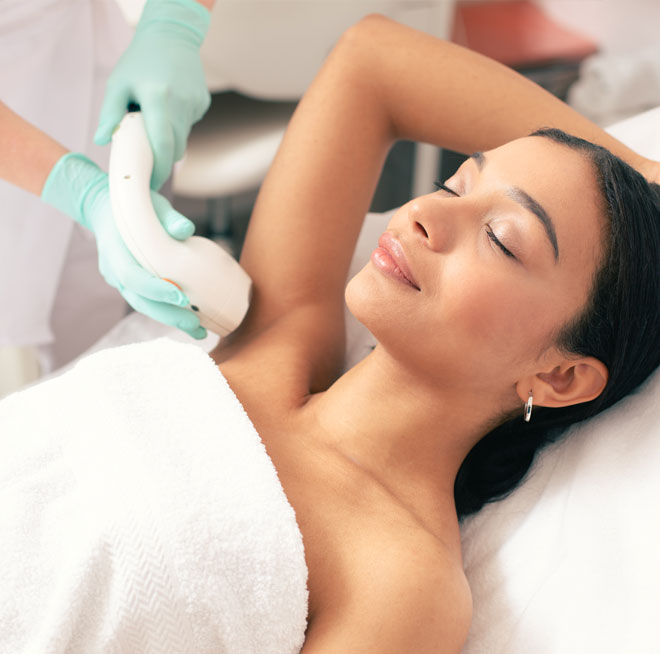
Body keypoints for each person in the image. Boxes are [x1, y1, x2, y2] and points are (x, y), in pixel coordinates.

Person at [1, 14, 660, 653]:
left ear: (559, 376)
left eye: (500, 238)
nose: (425, 212)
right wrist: (643, 172)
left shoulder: (401, 584)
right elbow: (374, 61)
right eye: (455, 185)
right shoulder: (278, 337)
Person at [0, 0, 214, 384]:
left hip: (97, 63)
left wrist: (176, 18)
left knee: (100, 323)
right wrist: (81, 192)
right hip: (13, 149)